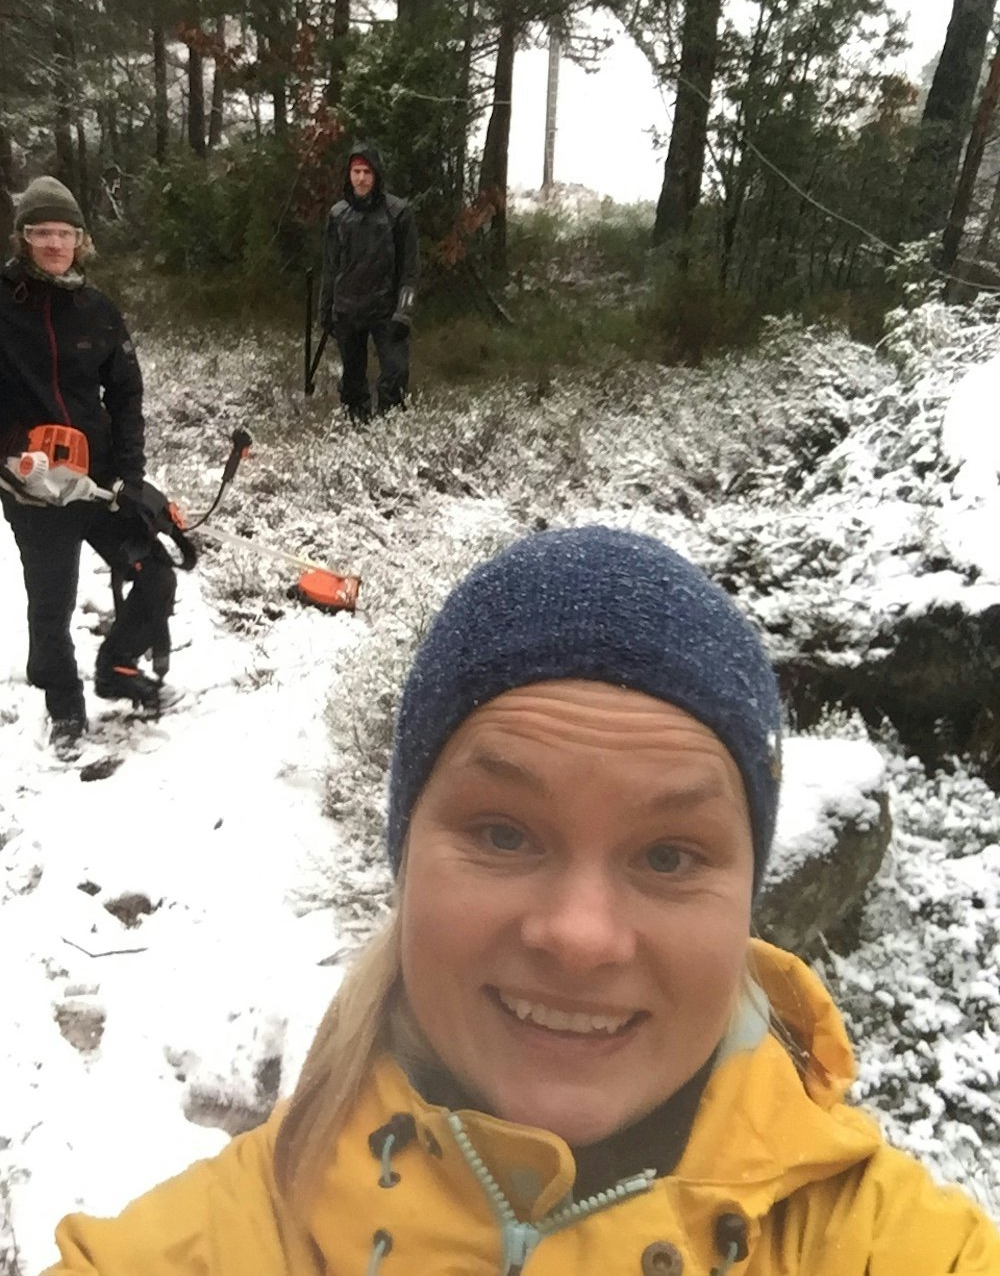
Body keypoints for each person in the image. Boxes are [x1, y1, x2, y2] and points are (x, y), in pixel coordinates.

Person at [42, 526, 1000, 1272]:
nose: (581, 935)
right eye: (505, 833)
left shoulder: (890, 1245)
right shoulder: (211, 1247)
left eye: (669, 853)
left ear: (748, 892)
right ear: (404, 853)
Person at [1, 176, 178, 754]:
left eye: (64, 232)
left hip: (98, 480)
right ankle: (64, 709)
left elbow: (126, 393)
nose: (54, 243)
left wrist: (128, 471)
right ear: (24, 237)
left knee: (155, 569)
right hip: (33, 488)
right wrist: (13, 449)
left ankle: (118, 667)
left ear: (81, 239)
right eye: (41, 231)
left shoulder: (96, 309)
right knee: (51, 605)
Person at [318, 144, 419, 425]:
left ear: (376, 175)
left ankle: (389, 432)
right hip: (348, 308)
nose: (361, 179)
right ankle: (356, 430)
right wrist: (325, 310)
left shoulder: (399, 213)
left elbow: (410, 269)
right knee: (352, 381)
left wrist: (404, 311)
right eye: (356, 172)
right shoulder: (338, 215)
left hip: (387, 310)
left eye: (366, 172)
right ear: (349, 175)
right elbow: (330, 267)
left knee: (395, 375)